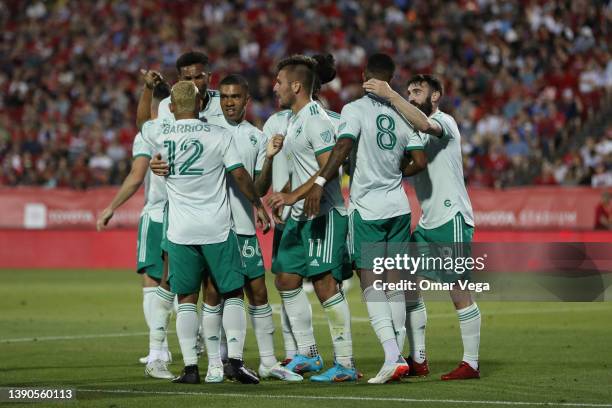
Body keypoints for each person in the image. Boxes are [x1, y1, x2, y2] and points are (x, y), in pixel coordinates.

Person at [303, 53, 427, 383]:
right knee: (395, 285)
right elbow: (419, 160)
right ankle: (397, 357)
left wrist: (318, 181)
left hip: (368, 210)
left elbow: (342, 147)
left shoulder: (354, 110)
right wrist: (399, 171)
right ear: (390, 79)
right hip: (399, 207)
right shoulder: (403, 113)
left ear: (364, 75)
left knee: (372, 285)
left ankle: (392, 356)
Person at [143, 81, 270, 384]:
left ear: (171, 108)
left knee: (186, 296)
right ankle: (235, 363)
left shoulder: (159, 134)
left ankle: (190, 369)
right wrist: (258, 204)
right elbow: (239, 174)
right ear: (201, 105)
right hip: (216, 227)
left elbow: (142, 126)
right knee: (233, 291)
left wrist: (155, 161)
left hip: (180, 230)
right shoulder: (219, 134)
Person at [363, 74, 481, 380]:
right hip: (427, 221)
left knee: (459, 290)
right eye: (409, 91)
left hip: (451, 217)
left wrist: (391, 96)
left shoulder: (445, 122)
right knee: (405, 282)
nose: (412, 95)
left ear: (435, 96)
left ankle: (471, 363)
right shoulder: (408, 128)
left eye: (419, 91)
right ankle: (419, 358)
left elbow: (425, 125)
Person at [203, 74, 301, 382]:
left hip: (244, 227)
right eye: (225, 97)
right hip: (214, 228)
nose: (229, 102)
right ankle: (217, 362)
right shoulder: (207, 131)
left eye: (235, 97)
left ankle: (268, 362)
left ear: (246, 101)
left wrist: (269, 159)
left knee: (258, 292)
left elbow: (258, 185)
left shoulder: (255, 137)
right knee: (215, 293)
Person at [266, 55, 356, 383]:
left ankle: (345, 363)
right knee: (286, 279)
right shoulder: (293, 120)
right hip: (300, 216)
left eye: (279, 82)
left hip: (324, 214)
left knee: (324, 285)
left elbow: (327, 169)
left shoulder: (316, 119)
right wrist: (282, 195)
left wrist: (292, 195)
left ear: (296, 85)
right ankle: (308, 354)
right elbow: (303, 166)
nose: (274, 87)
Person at [96, 76, 174, 379]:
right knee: (185, 282)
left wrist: (111, 207)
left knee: (152, 281)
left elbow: (136, 176)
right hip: (189, 213)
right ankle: (204, 345)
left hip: (157, 214)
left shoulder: (150, 133)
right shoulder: (193, 127)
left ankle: (159, 349)